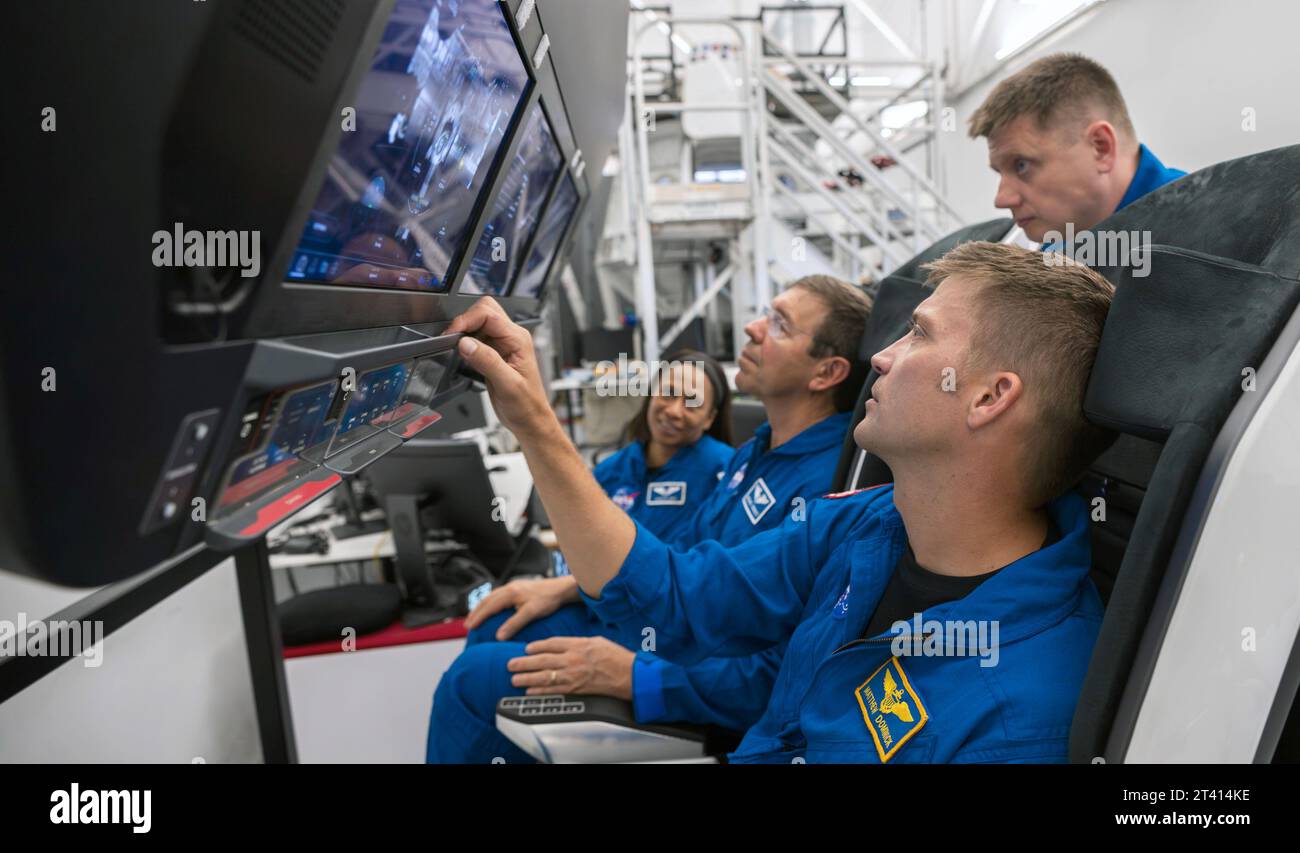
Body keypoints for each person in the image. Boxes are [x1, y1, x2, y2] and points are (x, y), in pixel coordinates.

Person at [447, 241, 1117, 763]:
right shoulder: (865, 524)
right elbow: (680, 592)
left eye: (919, 334)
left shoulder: (1020, 713)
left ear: (989, 397)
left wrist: (643, 677)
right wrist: (534, 420)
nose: (880, 357)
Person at [426, 275, 873, 763]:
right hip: (672, 634)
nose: (752, 327)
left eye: (780, 324)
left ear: (827, 372)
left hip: (694, 676)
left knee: (471, 681)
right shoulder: (755, 451)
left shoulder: (829, 488)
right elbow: (685, 553)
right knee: (498, 624)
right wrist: (569, 586)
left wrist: (635, 675)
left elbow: (785, 670)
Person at [969, 53, 1187, 247]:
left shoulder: (1204, 231)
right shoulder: (1060, 245)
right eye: (1000, 172)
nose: (1002, 199)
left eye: (1021, 165)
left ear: (1100, 147)